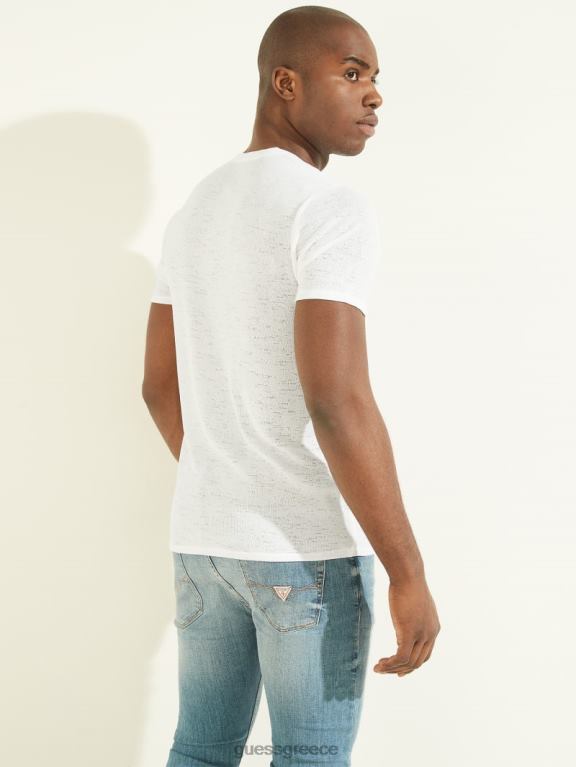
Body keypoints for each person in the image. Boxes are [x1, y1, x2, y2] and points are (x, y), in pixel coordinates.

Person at [142, 5, 440, 766]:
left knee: (200, 751)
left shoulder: (192, 213)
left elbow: (157, 388)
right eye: (352, 73)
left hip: (203, 547)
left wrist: (232, 478)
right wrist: (407, 573)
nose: (374, 94)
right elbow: (336, 399)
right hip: (306, 555)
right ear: (285, 83)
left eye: (375, 78)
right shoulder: (326, 207)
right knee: (309, 757)